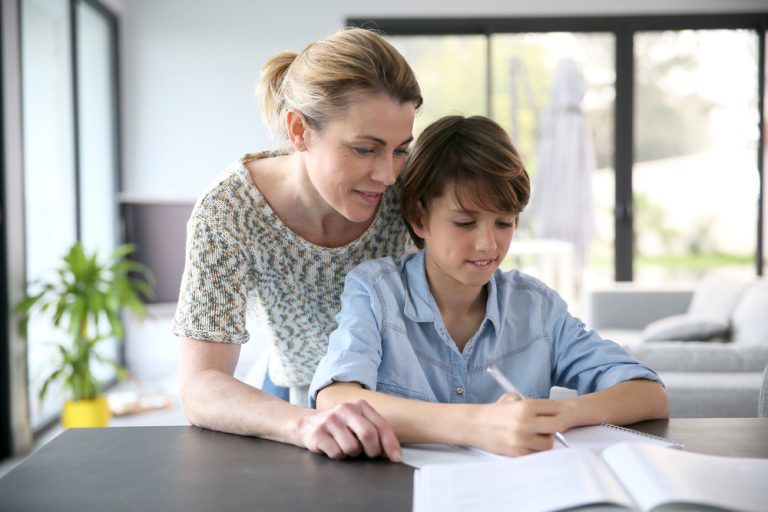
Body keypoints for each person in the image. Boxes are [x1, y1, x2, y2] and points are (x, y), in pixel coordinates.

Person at [309, 115, 669, 456]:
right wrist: (475, 424)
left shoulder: (537, 308)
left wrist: (563, 413)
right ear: (419, 218)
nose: (488, 244)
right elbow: (334, 399)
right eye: (465, 223)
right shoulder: (376, 291)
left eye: (504, 223)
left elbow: (649, 394)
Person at [173, 27, 422, 461]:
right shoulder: (229, 212)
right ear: (298, 130)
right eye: (365, 149)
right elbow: (200, 386)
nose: (388, 174)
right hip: (293, 400)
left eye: (400, 149)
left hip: (400, 401)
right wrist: (304, 423)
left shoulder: (409, 187)